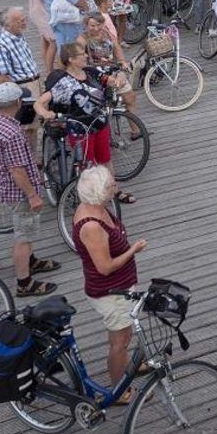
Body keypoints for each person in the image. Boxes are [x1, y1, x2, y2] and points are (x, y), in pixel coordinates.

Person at [73, 165, 147, 399]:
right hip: (110, 291)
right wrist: (133, 250)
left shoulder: (97, 208)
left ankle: (126, 366)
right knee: (119, 342)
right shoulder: (92, 226)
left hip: (120, 286)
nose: (116, 187)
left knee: (124, 333)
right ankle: (120, 390)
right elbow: (104, 267)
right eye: (111, 185)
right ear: (98, 192)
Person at [0, 82, 58, 298]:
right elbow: (17, 170)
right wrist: (32, 195)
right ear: (18, 102)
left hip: (3, 185)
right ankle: (24, 282)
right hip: (20, 191)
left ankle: (32, 262)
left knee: (26, 231)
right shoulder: (13, 133)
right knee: (23, 235)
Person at [35, 40, 114, 169]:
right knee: (88, 167)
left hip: (100, 123)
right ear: (71, 59)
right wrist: (45, 113)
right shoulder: (63, 82)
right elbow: (38, 103)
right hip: (80, 130)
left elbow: (111, 81)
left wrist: (119, 77)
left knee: (106, 160)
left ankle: (114, 189)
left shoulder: (91, 72)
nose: (86, 56)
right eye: (82, 54)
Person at [0, 6, 42, 94]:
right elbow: (3, 78)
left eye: (25, 19)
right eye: (20, 21)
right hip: (22, 87)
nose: (24, 23)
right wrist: (19, 95)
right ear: (8, 25)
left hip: (34, 83)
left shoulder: (17, 34)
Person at [24, 0, 58, 76]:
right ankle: (49, 70)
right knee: (53, 41)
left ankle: (47, 66)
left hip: (34, 9)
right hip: (41, 10)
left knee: (45, 39)